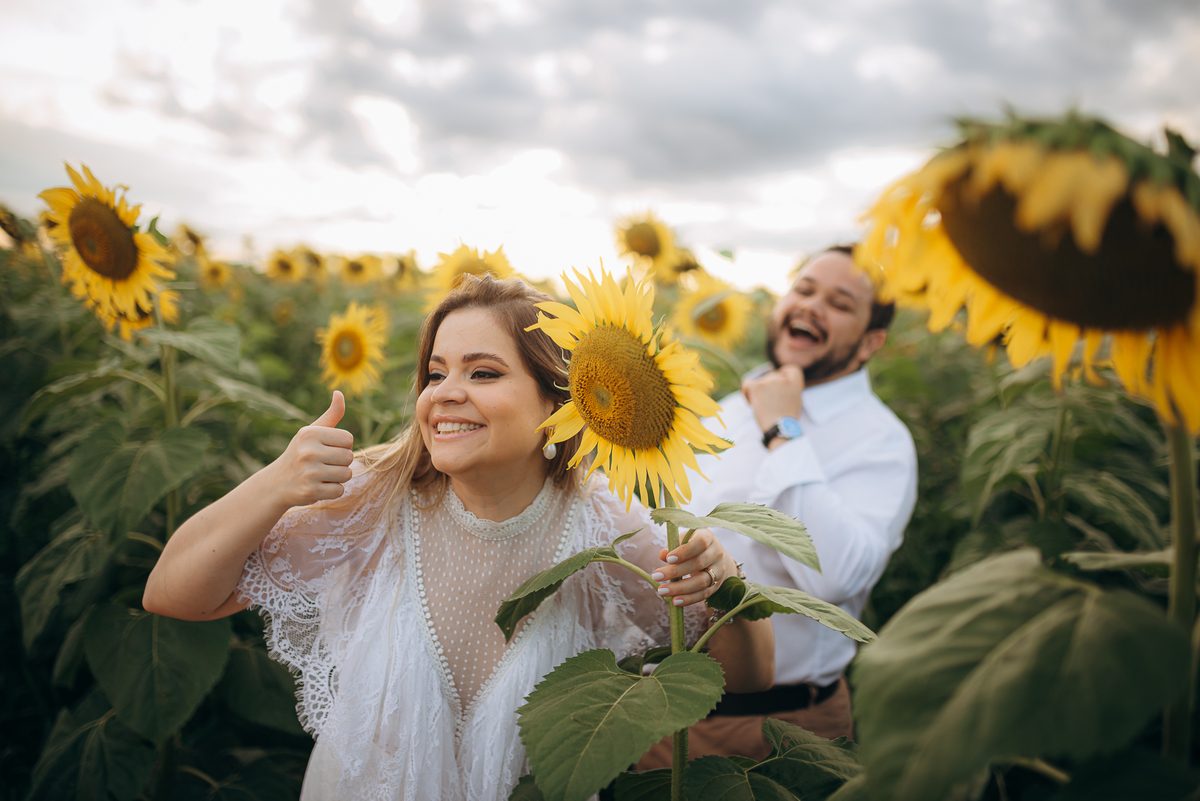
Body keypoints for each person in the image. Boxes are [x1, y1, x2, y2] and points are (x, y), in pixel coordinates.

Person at [143, 274, 773, 801]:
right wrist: (275, 484)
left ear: (561, 400)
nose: (445, 394)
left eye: (483, 373)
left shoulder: (603, 531)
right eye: (436, 372)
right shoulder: (373, 501)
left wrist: (725, 587)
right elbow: (175, 595)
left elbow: (747, 678)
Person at [638, 245, 917, 767]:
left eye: (839, 303)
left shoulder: (881, 440)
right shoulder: (729, 410)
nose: (811, 306)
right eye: (804, 289)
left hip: (781, 731)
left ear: (870, 342)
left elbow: (832, 576)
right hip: (662, 711)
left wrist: (782, 431)